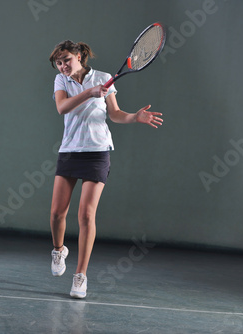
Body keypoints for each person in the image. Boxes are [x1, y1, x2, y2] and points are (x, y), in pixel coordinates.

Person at [48, 40, 163, 298]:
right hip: (70, 151)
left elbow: (114, 113)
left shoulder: (104, 78)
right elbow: (61, 107)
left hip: (97, 152)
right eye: (58, 62)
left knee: (86, 216)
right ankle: (58, 250)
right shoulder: (61, 81)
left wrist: (134, 117)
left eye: (66, 59)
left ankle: (80, 276)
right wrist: (89, 93)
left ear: (79, 56)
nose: (63, 65)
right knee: (57, 214)